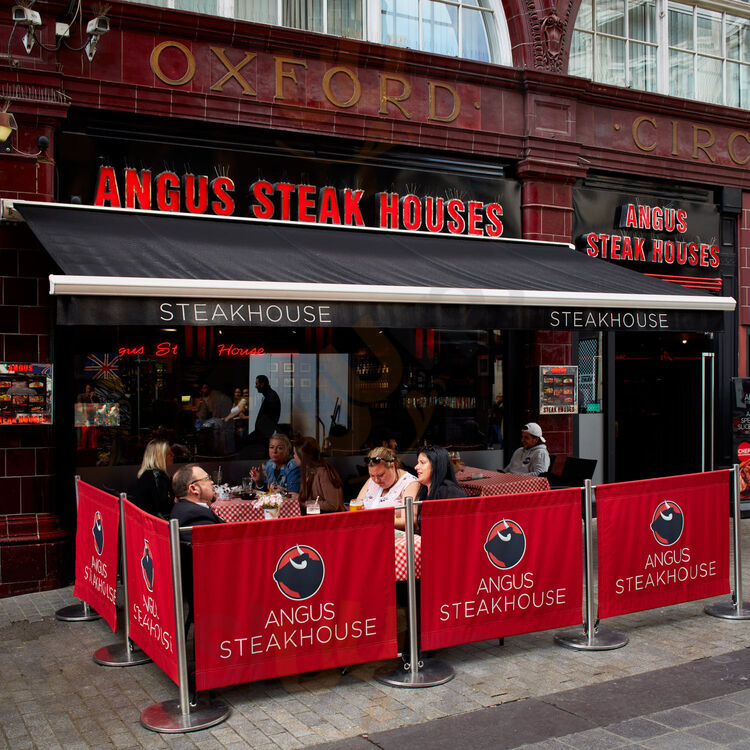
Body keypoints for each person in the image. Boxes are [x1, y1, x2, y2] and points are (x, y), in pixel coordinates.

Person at [354, 446, 419, 529]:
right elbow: (357, 505)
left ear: (392, 467)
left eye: (381, 475)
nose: (376, 480)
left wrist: (375, 520)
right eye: (372, 475)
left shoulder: (410, 484)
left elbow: (411, 522)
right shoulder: (372, 481)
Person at [414, 445, 466, 532]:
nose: (416, 467)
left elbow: (455, 529)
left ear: (436, 465)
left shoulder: (449, 491)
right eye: (418, 463)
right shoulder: (425, 490)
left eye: (422, 463)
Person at [170, 463, 225, 542]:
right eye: (207, 479)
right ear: (193, 488)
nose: (212, 482)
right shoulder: (196, 516)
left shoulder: (182, 508)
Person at [293, 436, 345, 513]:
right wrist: (298, 497)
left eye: (295, 453)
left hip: (330, 518)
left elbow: (332, 505)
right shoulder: (309, 471)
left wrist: (303, 502)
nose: (294, 456)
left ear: (302, 456)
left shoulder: (323, 472)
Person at [134, 439, 175, 518]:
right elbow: (163, 507)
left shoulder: (147, 474)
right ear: (160, 457)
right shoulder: (158, 477)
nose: (173, 455)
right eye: (169, 454)